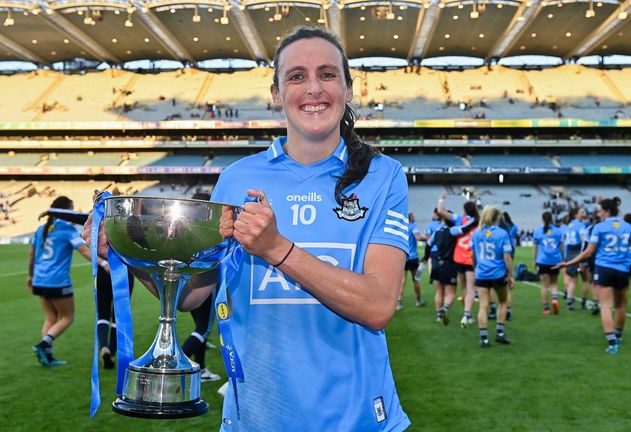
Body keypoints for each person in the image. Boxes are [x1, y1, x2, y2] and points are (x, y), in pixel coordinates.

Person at [85, 26, 411, 431]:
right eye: (296, 77)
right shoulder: (237, 179)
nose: (313, 88)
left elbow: (378, 306)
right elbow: (189, 294)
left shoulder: (384, 176)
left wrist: (277, 249)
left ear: (348, 88)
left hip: (356, 420)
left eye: (327, 74)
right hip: (253, 419)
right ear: (276, 94)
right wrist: (128, 254)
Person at [556, 197, 631, 354]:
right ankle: (618, 336)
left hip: (604, 269)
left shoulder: (599, 228)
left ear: (607, 211)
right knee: (620, 306)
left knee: (605, 306)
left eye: (600, 211)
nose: (598, 213)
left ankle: (612, 343)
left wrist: (568, 262)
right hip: (622, 270)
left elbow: (588, 252)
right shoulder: (628, 227)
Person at [28, 196, 104, 367]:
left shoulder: (41, 229)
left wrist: (30, 276)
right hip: (57, 281)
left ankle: (47, 355)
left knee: (50, 317)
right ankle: (44, 344)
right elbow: (84, 251)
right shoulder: (67, 230)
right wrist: (103, 263)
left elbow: (31, 256)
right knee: (67, 317)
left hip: (39, 280)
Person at [180, 191, 221, 382]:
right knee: (203, 330)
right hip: (205, 282)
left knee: (199, 326)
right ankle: (175, 363)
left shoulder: (187, 226)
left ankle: (202, 369)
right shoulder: (209, 228)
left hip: (187, 279)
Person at [470, 206, 514, 348]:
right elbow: (507, 256)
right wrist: (511, 274)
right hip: (498, 274)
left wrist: (476, 268)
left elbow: (473, 255)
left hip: (482, 274)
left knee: (483, 306)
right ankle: (500, 334)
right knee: (503, 302)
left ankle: (484, 339)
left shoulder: (476, 233)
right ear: (497, 217)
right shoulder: (502, 233)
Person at [437, 193, 480, 328]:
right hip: (470, 259)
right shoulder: (478, 223)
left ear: (465, 210)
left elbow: (440, 211)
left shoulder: (460, 219)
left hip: (458, 258)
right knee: (471, 288)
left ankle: (468, 315)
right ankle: (466, 315)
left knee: (464, 288)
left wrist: (441, 199)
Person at [533, 211, 564, 315]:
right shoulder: (558, 231)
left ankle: (546, 308)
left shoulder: (538, 232)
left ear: (542, 219)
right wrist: (563, 258)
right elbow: (561, 246)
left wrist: (534, 259)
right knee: (554, 283)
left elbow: (535, 247)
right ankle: (554, 299)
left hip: (543, 260)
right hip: (555, 260)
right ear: (551, 219)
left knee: (544, 285)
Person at [562, 207, 592, 311]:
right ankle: (583, 302)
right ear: (576, 214)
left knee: (573, 280)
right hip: (579, 251)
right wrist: (583, 257)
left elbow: (565, 241)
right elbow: (583, 241)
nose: (584, 213)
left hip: (570, 252)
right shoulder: (581, 225)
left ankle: (570, 302)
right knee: (585, 279)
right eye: (582, 212)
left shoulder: (569, 225)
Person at [397, 212, 425, 310]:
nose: (415, 218)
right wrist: (429, 238)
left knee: (402, 280)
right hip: (413, 257)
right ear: (410, 218)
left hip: (403, 257)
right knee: (416, 279)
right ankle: (419, 300)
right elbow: (418, 237)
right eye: (413, 216)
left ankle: (399, 302)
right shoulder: (413, 226)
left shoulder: (402, 227)